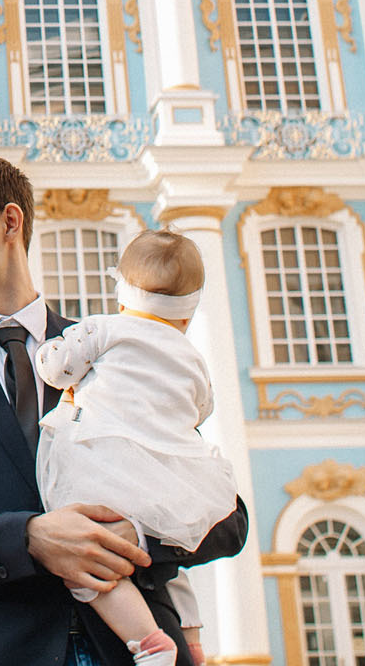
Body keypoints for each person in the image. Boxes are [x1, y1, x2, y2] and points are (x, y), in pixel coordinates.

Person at [0, 150, 251, 666]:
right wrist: (27, 540)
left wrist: (135, 535)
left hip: (140, 649)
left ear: (9, 221)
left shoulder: (115, 348)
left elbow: (225, 516)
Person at [32, 231, 242, 666]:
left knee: (88, 562)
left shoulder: (104, 328)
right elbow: (200, 408)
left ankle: (147, 640)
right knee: (166, 553)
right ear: (187, 314)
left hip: (101, 463)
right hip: (170, 470)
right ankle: (190, 636)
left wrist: (50, 355)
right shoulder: (191, 355)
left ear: (122, 293)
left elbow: (57, 369)